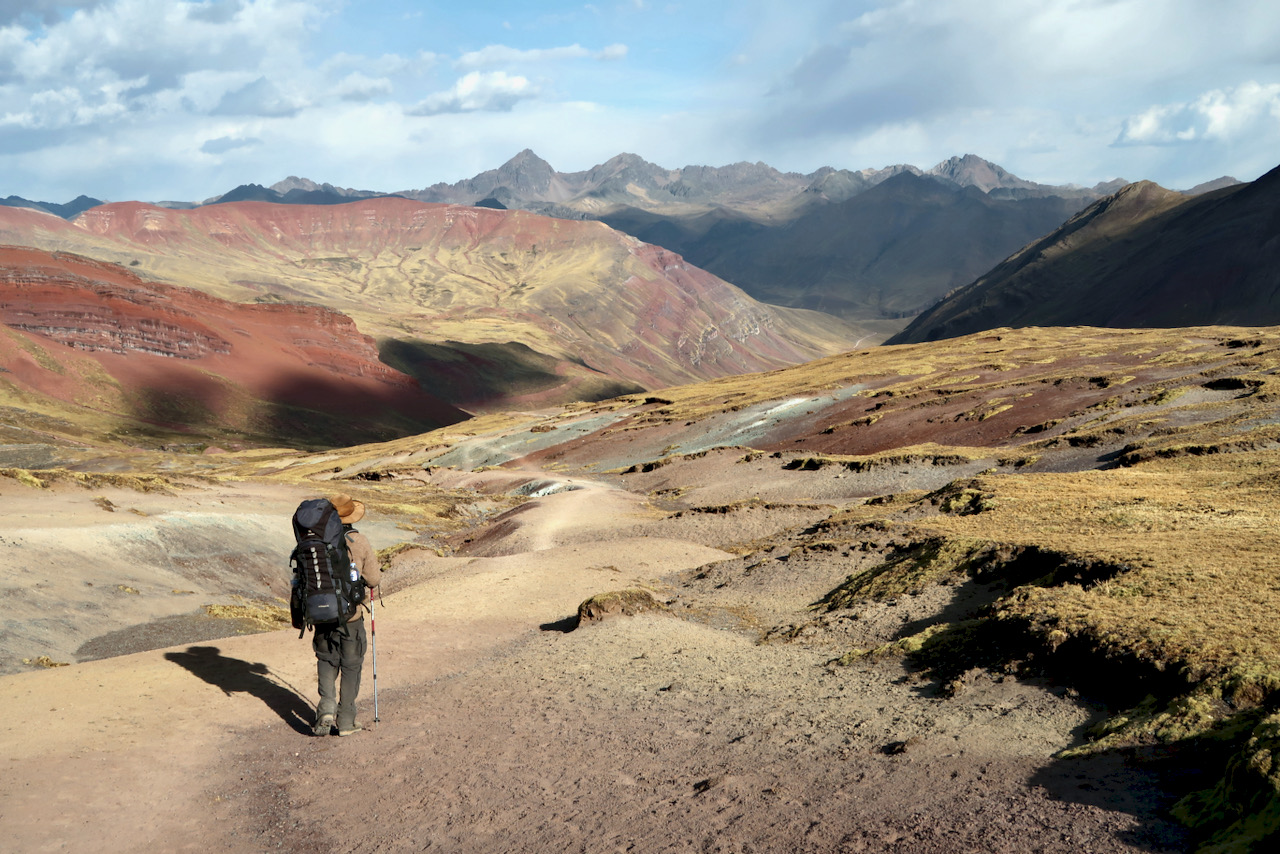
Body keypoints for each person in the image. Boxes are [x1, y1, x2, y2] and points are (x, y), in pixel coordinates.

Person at [311, 493, 381, 737]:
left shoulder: (313, 541)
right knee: (351, 665)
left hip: (320, 614)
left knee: (326, 659)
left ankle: (326, 710)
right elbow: (373, 579)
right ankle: (347, 720)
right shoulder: (358, 541)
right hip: (350, 616)